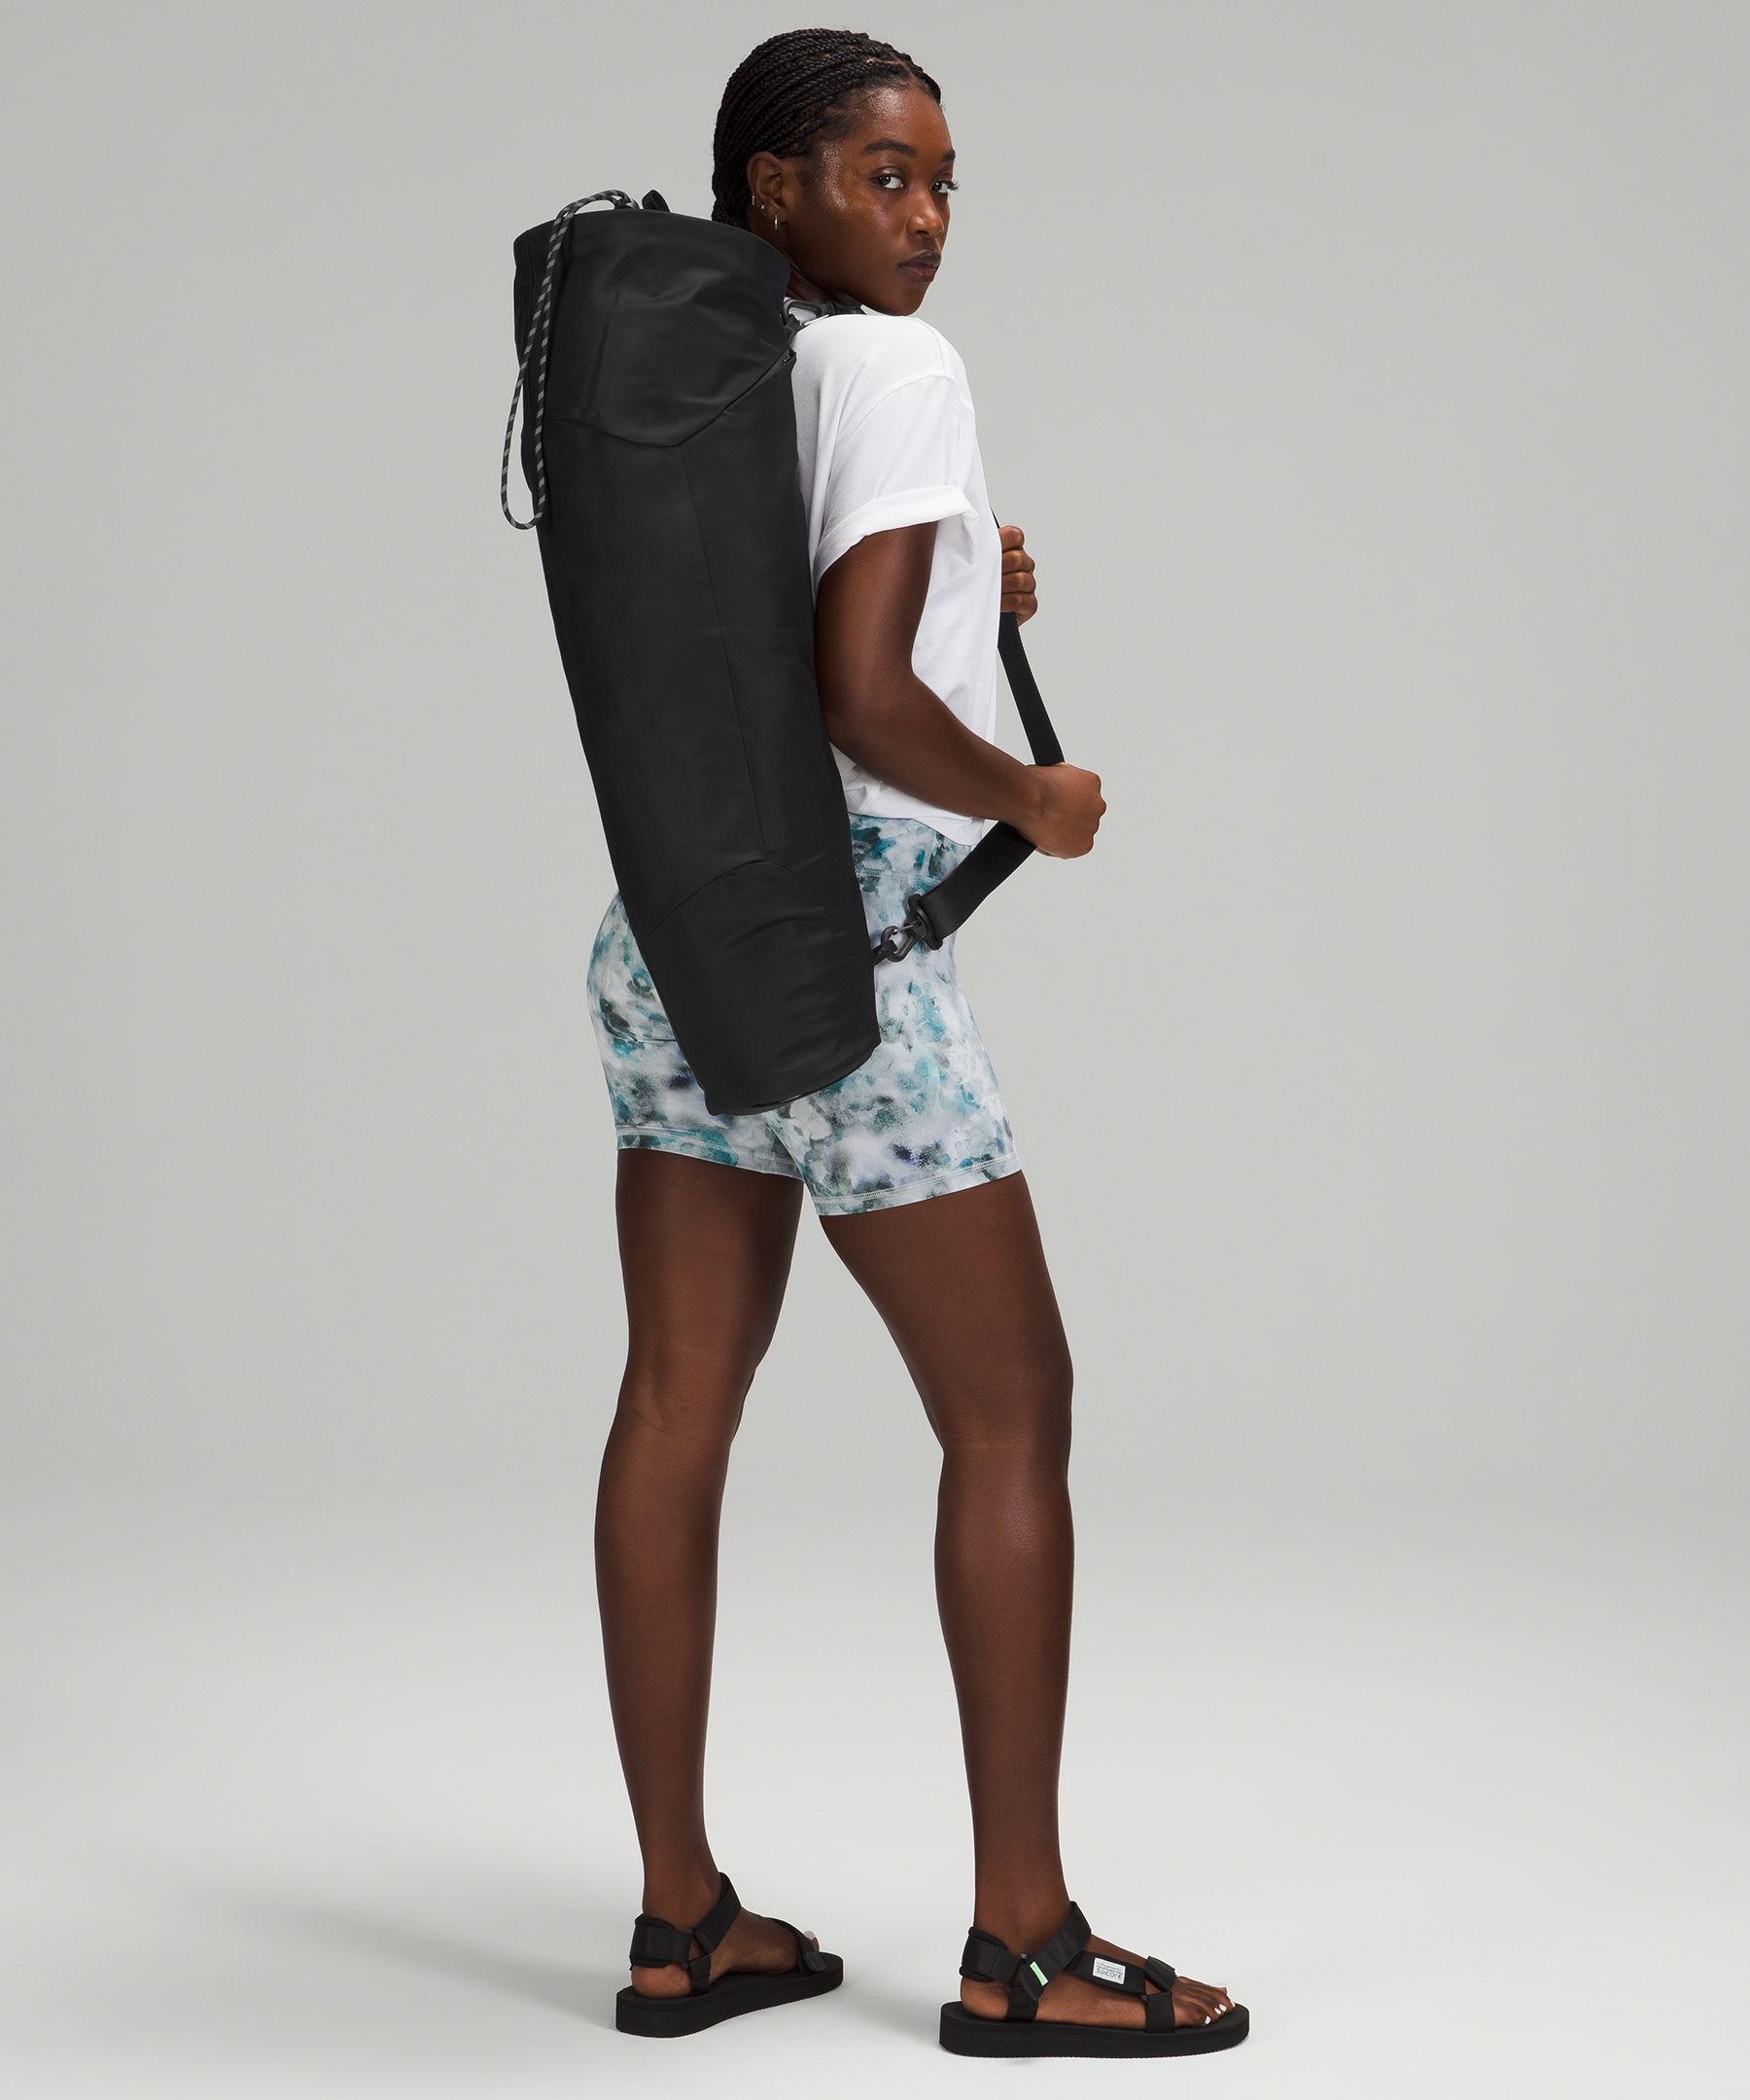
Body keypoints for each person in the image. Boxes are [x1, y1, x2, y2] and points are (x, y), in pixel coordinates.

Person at [592, 27, 1247, 2057]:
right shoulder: (899, 370)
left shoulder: (713, 372)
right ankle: (1023, 1948)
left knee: (677, 1404)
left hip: (675, 930)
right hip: (855, 944)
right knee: (1013, 1413)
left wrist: (970, 570)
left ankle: (685, 1921)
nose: (929, 217)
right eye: (885, 174)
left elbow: (765, 630)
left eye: (946, 182)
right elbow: (864, 702)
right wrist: (1033, 794)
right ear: (770, 185)